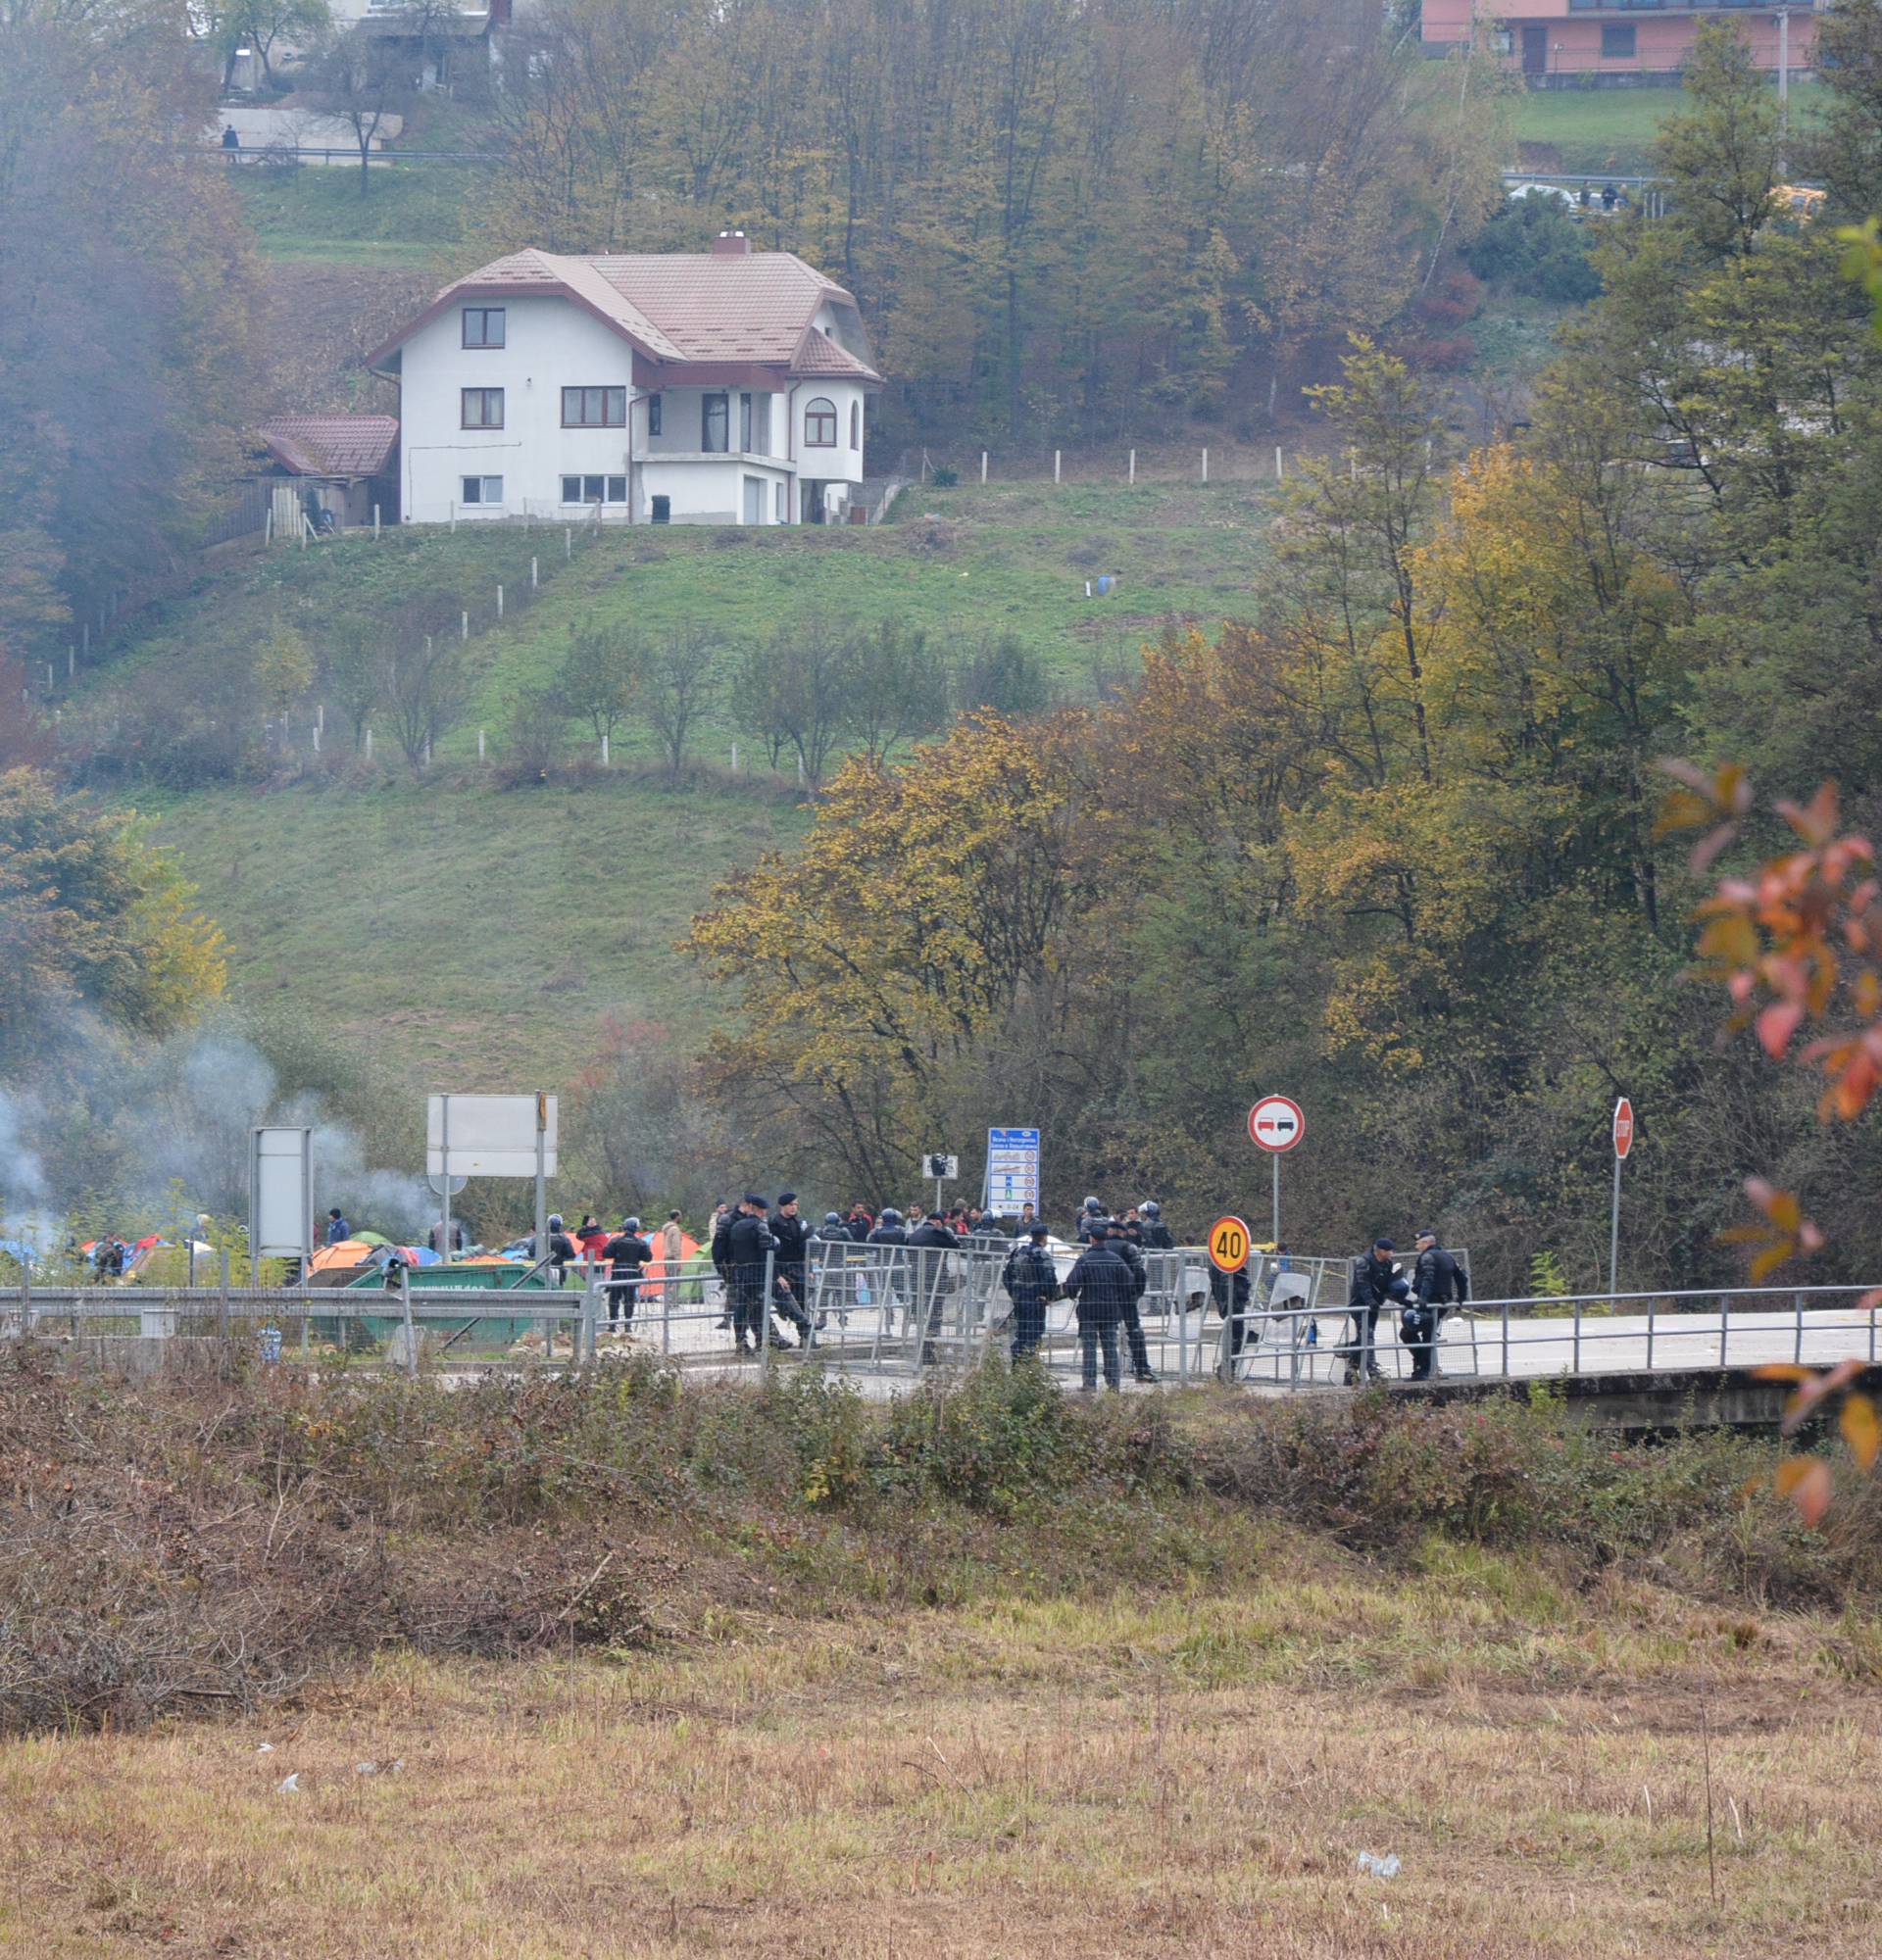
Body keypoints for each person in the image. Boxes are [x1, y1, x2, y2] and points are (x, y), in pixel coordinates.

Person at [1064, 1221, 1132, 1392]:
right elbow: (1129, 1281)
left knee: (1089, 1348)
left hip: (1089, 1310)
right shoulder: (1116, 1260)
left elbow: (1072, 1284)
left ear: (1091, 1239)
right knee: (1110, 1347)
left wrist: (1072, 1295)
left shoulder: (1084, 1260)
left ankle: (1089, 1383)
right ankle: (1113, 1384)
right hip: (1110, 1310)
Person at [1340, 1238, 1409, 1386]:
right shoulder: (1363, 1261)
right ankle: (1372, 1370)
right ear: (1381, 1251)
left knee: (1363, 1337)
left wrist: (1403, 1301)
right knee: (1367, 1334)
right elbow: (1363, 1284)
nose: (1392, 1253)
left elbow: (1387, 1288)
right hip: (1360, 1305)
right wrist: (1370, 1301)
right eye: (1390, 1251)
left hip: (1373, 1306)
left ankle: (1350, 1372)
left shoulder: (1387, 1264)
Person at [1406, 1228, 1468, 1382]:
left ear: (1427, 1242)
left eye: (1418, 1243)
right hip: (1443, 1302)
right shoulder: (1448, 1256)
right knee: (1426, 1334)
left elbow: (1428, 1278)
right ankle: (1423, 1368)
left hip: (1431, 1303)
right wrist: (1461, 1298)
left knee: (1410, 1332)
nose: (1416, 1246)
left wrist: (1423, 1299)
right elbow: (1462, 1278)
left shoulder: (1427, 1257)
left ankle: (1423, 1369)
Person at [907, 1209, 961, 1364]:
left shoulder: (915, 1234)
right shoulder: (937, 1232)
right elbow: (955, 1245)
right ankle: (928, 1353)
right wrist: (945, 1232)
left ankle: (922, 1350)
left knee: (921, 1315)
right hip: (935, 1279)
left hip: (917, 1278)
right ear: (937, 1222)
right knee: (935, 1315)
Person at [725, 1196, 777, 1354]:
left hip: (740, 1271)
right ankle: (762, 1341)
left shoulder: (736, 1226)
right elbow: (766, 1250)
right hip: (757, 1272)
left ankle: (741, 1341)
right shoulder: (760, 1226)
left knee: (741, 1307)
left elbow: (730, 1249)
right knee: (759, 1307)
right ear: (762, 1211)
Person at [1001, 1222, 1060, 1363]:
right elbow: (1050, 1279)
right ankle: (1029, 1367)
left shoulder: (1018, 1252)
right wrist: (1048, 1296)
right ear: (1043, 1237)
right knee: (1034, 1334)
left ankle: (1017, 1365)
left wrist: (1013, 1293)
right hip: (1035, 1301)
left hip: (1019, 1300)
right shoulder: (1042, 1255)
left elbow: (1006, 1276)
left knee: (1021, 1333)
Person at [1109, 1217, 1157, 1383]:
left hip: (1105, 1298)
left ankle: (1109, 1373)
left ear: (1109, 1232)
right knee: (1135, 1331)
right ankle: (1142, 1370)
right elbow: (1139, 1272)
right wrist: (1137, 1293)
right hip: (1126, 1296)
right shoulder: (1129, 1247)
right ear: (1122, 1232)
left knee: (1107, 1334)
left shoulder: (1099, 1247)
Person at [768, 1194, 817, 1347]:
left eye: (796, 1204)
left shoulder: (799, 1222)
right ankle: (785, 1314)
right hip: (782, 1267)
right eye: (791, 1205)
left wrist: (809, 1268)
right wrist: (776, 1275)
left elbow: (804, 1247)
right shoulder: (774, 1223)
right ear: (783, 1206)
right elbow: (771, 1251)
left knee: (802, 1302)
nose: (794, 1207)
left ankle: (806, 1338)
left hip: (799, 1267)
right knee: (787, 1302)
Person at [601, 1217, 653, 1334]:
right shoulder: (641, 1242)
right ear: (636, 1228)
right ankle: (628, 1325)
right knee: (629, 1300)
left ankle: (612, 1325)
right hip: (632, 1273)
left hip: (617, 1272)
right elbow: (648, 1257)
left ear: (625, 1227)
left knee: (614, 1299)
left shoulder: (616, 1240)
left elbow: (606, 1253)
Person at [1210, 1250, 1254, 1379]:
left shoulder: (1217, 1265)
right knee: (1236, 1338)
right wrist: (1232, 1304)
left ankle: (1228, 1367)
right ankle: (1228, 1368)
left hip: (1228, 1305)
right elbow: (1227, 1286)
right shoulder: (1227, 1268)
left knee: (1233, 1337)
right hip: (1233, 1307)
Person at [709, 1200, 737, 1327]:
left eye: (725, 1206)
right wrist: (720, 1265)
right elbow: (716, 1245)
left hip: (729, 1264)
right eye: (722, 1207)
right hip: (727, 1264)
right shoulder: (719, 1221)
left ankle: (727, 1318)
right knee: (732, 1292)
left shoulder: (726, 1220)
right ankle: (727, 1318)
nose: (724, 1208)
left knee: (733, 1292)